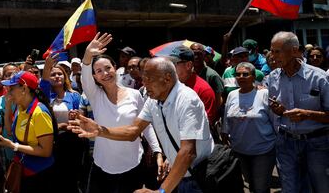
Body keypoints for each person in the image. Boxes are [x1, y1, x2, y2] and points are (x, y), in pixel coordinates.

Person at [69, 55, 214, 193]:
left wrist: (161, 191)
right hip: (178, 175)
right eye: (143, 79)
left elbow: (188, 152)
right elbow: (133, 130)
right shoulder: (153, 100)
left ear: (167, 78)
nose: (143, 84)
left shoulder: (187, 100)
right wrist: (100, 131)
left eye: (148, 79)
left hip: (198, 176)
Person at [80, 33, 162, 193]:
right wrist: (87, 55)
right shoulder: (95, 95)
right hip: (101, 166)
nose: (105, 73)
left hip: (132, 166)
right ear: (95, 77)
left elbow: (145, 126)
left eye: (108, 68)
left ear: (115, 68)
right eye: (99, 71)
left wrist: (156, 149)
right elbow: (84, 76)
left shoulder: (135, 95)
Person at [267, 31, 329, 193]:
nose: (272, 56)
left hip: (317, 144)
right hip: (286, 143)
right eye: (271, 51)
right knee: (290, 188)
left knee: (321, 187)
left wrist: (307, 114)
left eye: (277, 51)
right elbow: (274, 108)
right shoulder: (272, 78)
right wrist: (279, 111)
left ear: (294, 51)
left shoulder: (319, 78)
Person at [0, 71, 56, 192]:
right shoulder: (20, 108)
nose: (8, 92)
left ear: (24, 89)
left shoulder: (39, 113)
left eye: (11, 88)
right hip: (25, 171)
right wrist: (7, 107)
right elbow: (11, 132)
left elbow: (46, 151)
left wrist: (13, 146)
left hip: (39, 174)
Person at [222, 62, 276, 193]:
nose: (241, 77)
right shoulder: (232, 95)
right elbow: (226, 120)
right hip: (239, 150)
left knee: (260, 188)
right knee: (250, 184)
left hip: (263, 150)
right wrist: (224, 133)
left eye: (245, 74)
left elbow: (275, 121)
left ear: (253, 77)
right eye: (238, 74)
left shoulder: (264, 94)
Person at [40, 55, 84, 193]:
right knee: (57, 178)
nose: (57, 76)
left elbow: (82, 119)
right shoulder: (47, 96)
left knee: (73, 178)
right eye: (53, 74)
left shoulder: (74, 95)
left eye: (60, 74)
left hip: (73, 142)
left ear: (65, 76)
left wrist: (76, 116)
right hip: (53, 142)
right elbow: (44, 84)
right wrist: (47, 67)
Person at [169, 46, 217, 125]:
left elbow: (206, 123)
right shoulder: (170, 86)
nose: (171, 67)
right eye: (170, 63)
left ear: (188, 65)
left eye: (174, 63)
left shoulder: (204, 90)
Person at [190, 43, 224, 109]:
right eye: (193, 54)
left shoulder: (212, 76)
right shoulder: (188, 74)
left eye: (199, 54)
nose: (196, 57)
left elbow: (218, 101)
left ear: (204, 55)